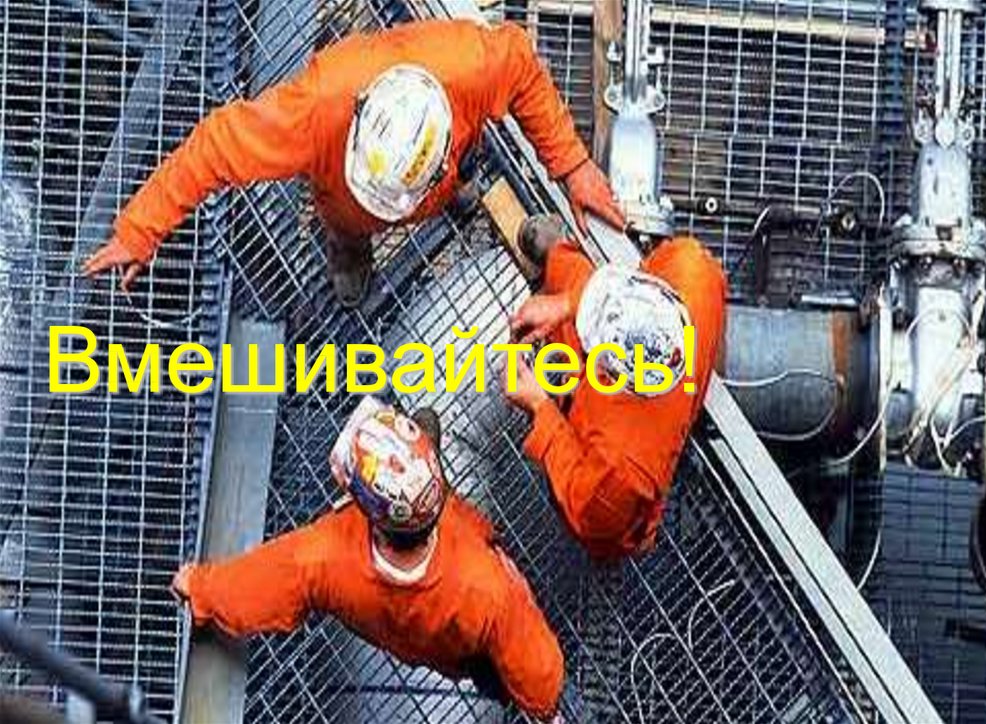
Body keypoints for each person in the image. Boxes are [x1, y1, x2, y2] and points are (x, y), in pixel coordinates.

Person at [82, 18, 624, 307]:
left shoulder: (471, 65)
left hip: (450, 162)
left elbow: (523, 65)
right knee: (345, 226)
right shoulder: (315, 111)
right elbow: (215, 145)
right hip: (346, 206)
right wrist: (139, 230)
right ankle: (351, 254)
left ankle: (453, 191)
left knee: (461, 178)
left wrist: (573, 167)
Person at [171, 399, 564, 720]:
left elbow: (257, 584)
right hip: (473, 643)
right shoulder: (487, 587)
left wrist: (200, 587)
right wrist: (543, 708)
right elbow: (540, 680)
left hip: (426, 647)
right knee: (503, 673)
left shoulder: (327, 556)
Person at [502, 215, 727, 560]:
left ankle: (563, 398)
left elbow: (589, 512)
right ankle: (556, 256)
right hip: (662, 395)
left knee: (580, 486)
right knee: (579, 279)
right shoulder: (692, 270)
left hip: (602, 481)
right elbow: (618, 296)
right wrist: (568, 304)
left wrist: (539, 406)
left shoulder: (622, 471)